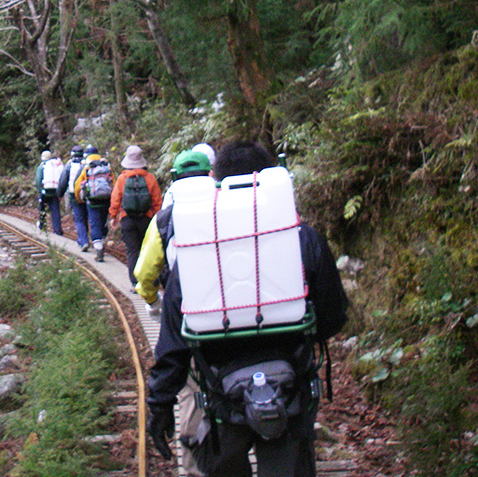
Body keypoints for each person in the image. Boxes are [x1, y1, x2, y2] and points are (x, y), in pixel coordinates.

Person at [143, 141, 349, 477]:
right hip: (291, 386)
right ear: (270, 179)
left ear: (216, 181)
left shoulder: (197, 245)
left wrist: (161, 404)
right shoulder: (302, 237)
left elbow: (174, 341)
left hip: (221, 392)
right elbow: (333, 316)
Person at [109, 145, 162, 285]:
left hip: (127, 219)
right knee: (147, 250)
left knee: (132, 251)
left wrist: (113, 217)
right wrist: (157, 218)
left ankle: (134, 283)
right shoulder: (150, 178)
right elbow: (157, 201)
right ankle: (150, 281)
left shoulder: (122, 179)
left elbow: (116, 199)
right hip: (146, 219)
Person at [74, 150, 113, 262]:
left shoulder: (86, 169)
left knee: (94, 222)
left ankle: (98, 247)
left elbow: (77, 185)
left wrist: (79, 199)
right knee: (103, 221)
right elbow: (114, 183)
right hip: (106, 199)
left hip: (92, 201)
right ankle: (103, 238)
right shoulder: (106, 168)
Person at [58, 145, 90, 252]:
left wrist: (60, 194)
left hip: (74, 195)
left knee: (79, 219)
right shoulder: (87, 164)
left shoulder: (69, 165)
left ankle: (83, 241)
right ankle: (86, 238)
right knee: (85, 217)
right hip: (87, 194)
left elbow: (63, 181)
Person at [35, 150, 64, 235]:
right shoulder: (56, 166)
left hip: (45, 191)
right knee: (55, 210)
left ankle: (42, 226)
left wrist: (41, 190)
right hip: (55, 191)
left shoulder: (42, 167)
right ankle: (57, 230)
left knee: (42, 208)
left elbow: (38, 180)